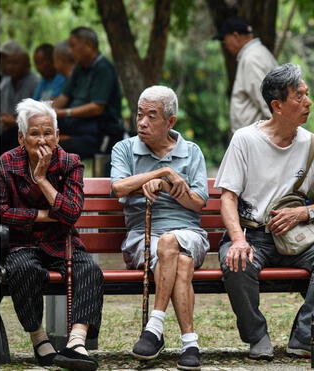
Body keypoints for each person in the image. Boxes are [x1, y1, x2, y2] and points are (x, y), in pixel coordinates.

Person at [216, 63, 314, 359]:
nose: (307, 102)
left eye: (307, 94)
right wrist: (238, 240)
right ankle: (257, 336)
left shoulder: (310, 144)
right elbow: (228, 198)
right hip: (252, 234)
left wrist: (302, 214)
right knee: (237, 264)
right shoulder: (245, 140)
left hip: (295, 238)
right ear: (278, 105)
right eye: (299, 96)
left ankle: (304, 334)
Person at [0, 98, 103, 371]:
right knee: (24, 270)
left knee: (89, 269)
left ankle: (76, 343)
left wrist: (42, 179)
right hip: (23, 244)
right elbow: (1, 211)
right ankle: (39, 339)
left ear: (57, 136)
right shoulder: (7, 163)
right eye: (35, 133)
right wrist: (42, 215)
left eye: (48, 133)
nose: (42, 139)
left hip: (62, 241)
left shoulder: (70, 163)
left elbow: (70, 214)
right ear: (22, 137)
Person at [111, 86, 208, 370]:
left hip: (189, 234)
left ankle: (153, 329)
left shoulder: (192, 152)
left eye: (151, 116)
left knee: (172, 244)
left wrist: (169, 187)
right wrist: (161, 172)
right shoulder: (125, 149)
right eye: (140, 115)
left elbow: (199, 203)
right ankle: (190, 344)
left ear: (171, 121)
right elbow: (117, 187)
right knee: (179, 257)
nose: (142, 122)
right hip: (142, 237)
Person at [52, 26, 124, 160]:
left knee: (53, 148)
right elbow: (63, 98)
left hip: (97, 132)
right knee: (26, 136)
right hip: (75, 125)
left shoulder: (103, 68)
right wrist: (44, 111)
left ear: (89, 45)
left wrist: (64, 113)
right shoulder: (80, 68)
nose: (70, 51)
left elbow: (97, 108)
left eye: (73, 46)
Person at [214, 17, 278, 134]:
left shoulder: (251, 58)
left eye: (225, 40)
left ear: (235, 36)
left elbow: (266, 100)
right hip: (256, 137)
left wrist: (281, 131)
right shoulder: (259, 53)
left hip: (257, 139)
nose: (225, 45)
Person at [0, 40, 39, 154]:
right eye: (8, 62)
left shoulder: (35, 82)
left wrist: (15, 121)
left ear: (26, 64)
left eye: (14, 63)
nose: (10, 66)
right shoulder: (6, 82)